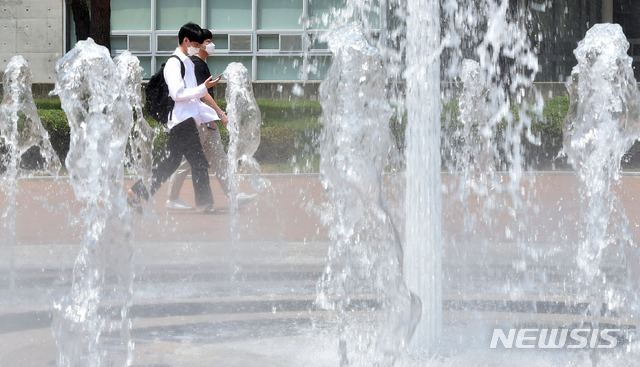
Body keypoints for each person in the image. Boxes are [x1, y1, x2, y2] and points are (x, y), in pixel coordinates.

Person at [127, 22, 218, 213]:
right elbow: (177, 94)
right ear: (186, 41)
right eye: (196, 43)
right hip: (180, 121)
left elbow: (193, 98)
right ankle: (204, 204)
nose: (198, 47)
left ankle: (136, 193)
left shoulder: (187, 63)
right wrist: (203, 89)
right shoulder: (174, 63)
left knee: (170, 163)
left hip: (185, 120)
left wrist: (209, 116)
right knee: (198, 161)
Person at [165, 28, 257, 210]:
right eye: (206, 41)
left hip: (206, 123)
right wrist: (220, 114)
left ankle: (233, 195)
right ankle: (172, 198)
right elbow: (201, 94)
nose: (210, 45)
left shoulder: (198, 64)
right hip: (197, 123)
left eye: (210, 41)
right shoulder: (195, 65)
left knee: (219, 159)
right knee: (186, 162)